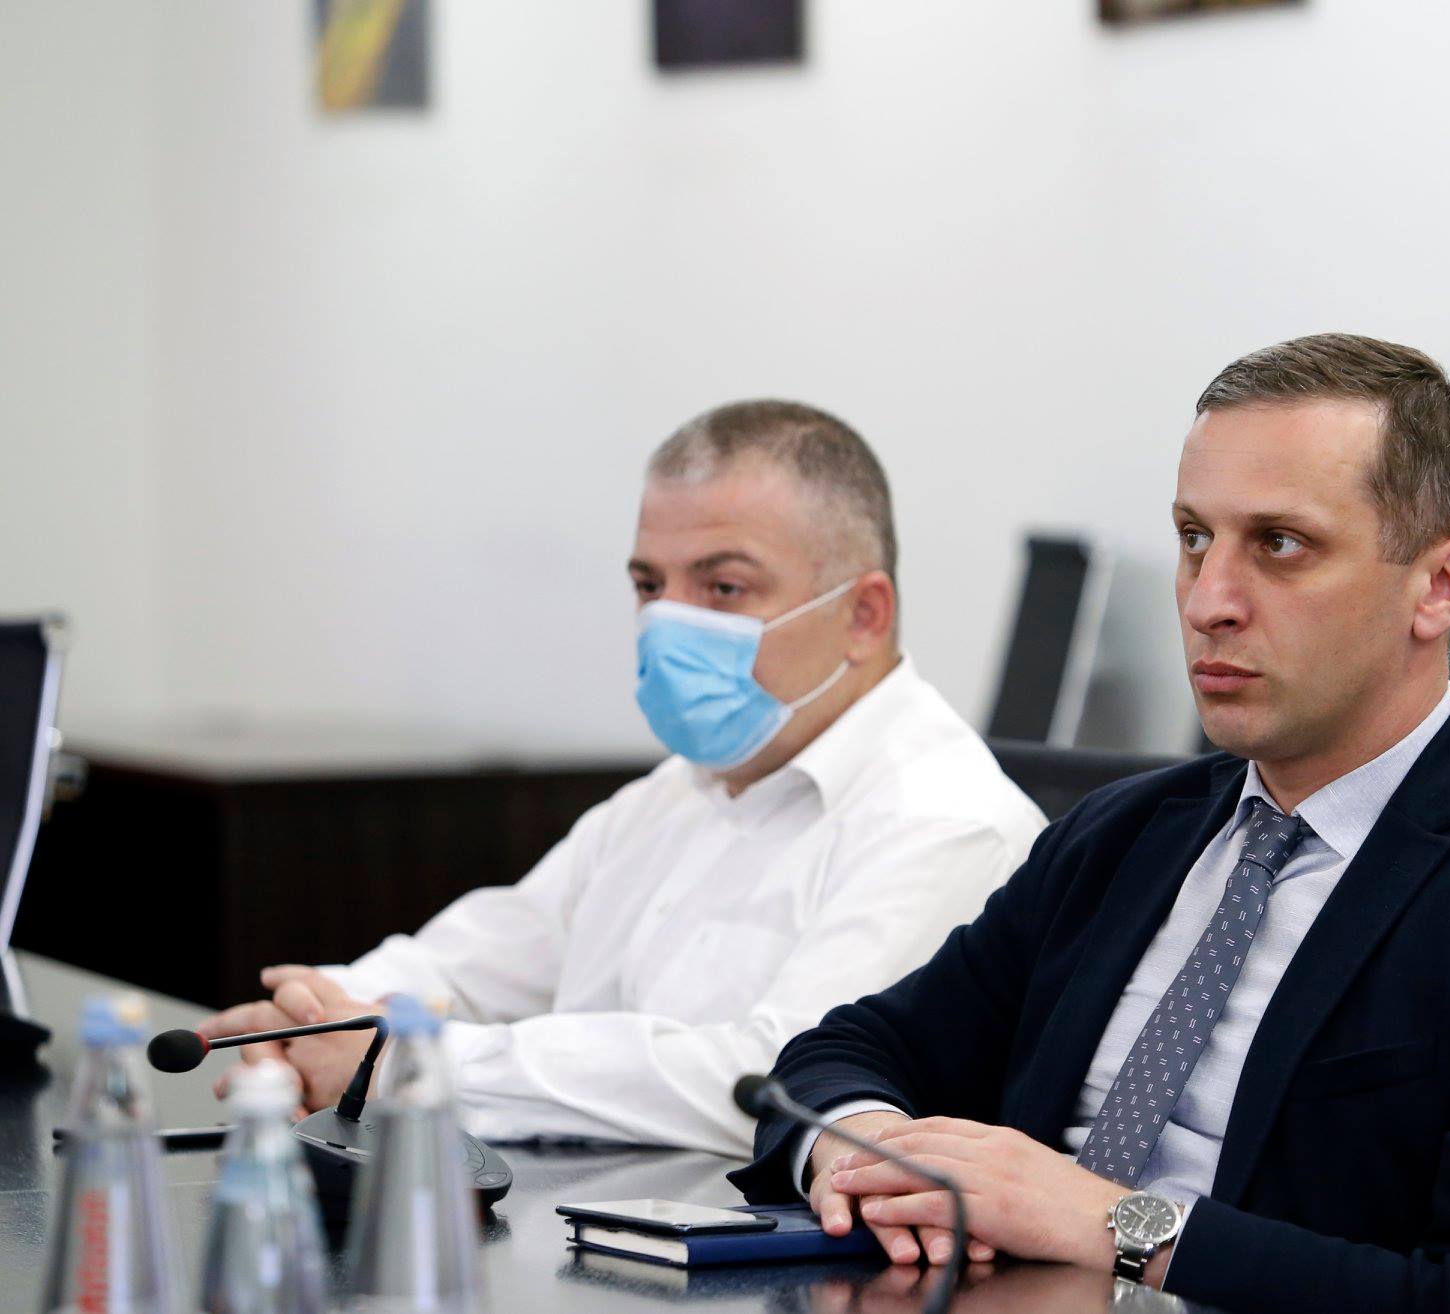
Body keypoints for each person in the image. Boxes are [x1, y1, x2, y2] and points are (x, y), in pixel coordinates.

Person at [731, 336, 1450, 1312]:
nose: (1208, 602)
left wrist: (1122, 1227)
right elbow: (844, 1053)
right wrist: (870, 1157)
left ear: (1440, 586)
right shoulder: (1124, 837)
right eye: (1195, 538)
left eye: (1280, 544)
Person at [195, 400, 1046, 1156]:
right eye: (649, 584)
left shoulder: (947, 820)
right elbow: (479, 960)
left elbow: (777, 1083)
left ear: (863, 614)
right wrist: (321, 1019)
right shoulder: (683, 787)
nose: (668, 623)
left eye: (723, 586)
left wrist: (407, 1062)